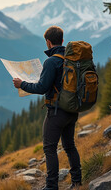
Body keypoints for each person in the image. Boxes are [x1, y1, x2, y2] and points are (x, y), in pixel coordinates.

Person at [13, 26, 82, 190]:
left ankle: (51, 186)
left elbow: (41, 88)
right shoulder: (71, 58)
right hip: (72, 109)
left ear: (48, 42)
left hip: (57, 112)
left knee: (49, 148)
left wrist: (21, 84)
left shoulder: (51, 62)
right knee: (69, 146)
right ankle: (77, 181)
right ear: (62, 41)